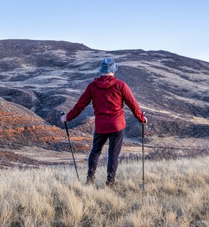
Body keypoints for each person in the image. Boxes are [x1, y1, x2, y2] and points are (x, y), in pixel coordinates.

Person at [61, 57, 146, 187]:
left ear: (101, 70)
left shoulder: (92, 86)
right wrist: (142, 118)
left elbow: (80, 105)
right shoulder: (121, 85)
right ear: (113, 71)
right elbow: (133, 104)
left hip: (101, 126)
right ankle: (110, 183)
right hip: (117, 125)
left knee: (95, 151)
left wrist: (67, 117)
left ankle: (90, 180)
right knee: (113, 155)